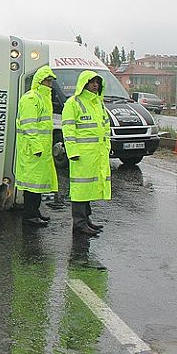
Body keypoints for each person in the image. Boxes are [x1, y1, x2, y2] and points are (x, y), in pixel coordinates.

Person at [61, 71, 111, 236]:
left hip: (96, 154)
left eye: (97, 82)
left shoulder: (99, 103)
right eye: (91, 82)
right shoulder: (73, 103)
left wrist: (107, 147)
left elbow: (105, 128)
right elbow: (68, 129)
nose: (95, 85)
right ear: (84, 84)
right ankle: (79, 223)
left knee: (89, 188)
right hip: (81, 155)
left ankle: (86, 220)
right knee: (80, 189)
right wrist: (72, 151)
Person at [15, 65, 58, 226]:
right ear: (40, 81)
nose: (50, 84)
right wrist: (36, 147)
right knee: (31, 185)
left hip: (40, 150)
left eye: (51, 81)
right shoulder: (31, 98)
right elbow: (28, 125)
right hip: (33, 150)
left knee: (38, 184)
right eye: (48, 80)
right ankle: (29, 215)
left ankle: (35, 212)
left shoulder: (43, 98)